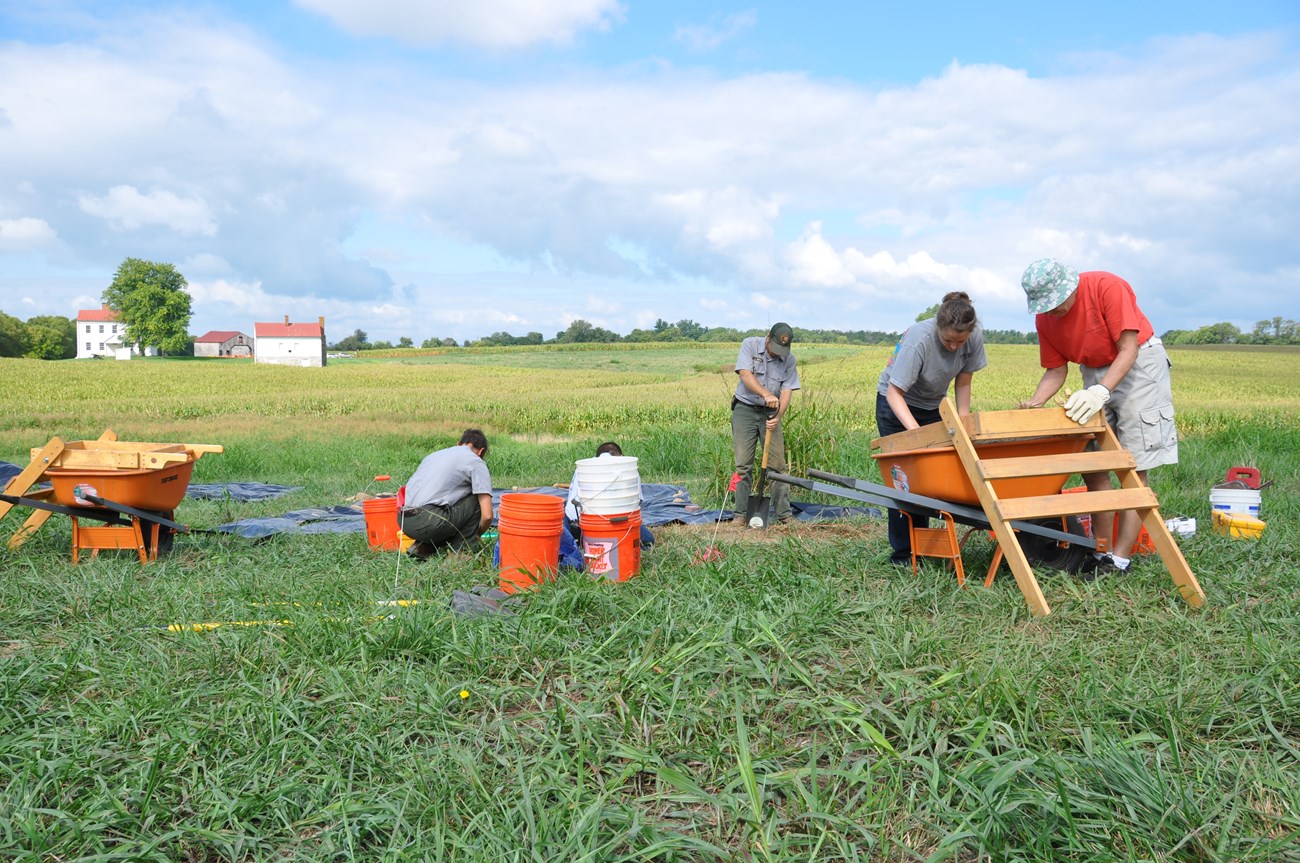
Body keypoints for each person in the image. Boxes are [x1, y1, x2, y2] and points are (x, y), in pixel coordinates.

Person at [1018, 258, 1177, 576]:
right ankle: (1100, 550)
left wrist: (1100, 392)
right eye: (1045, 306)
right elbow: (1056, 368)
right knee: (1094, 465)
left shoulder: (1107, 287)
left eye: (1056, 303)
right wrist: (1035, 403)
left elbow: (1128, 348)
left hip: (1140, 364)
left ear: (1071, 286)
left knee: (1132, 465)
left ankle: (1119, 560)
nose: (1053, 311)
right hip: (1094, 369)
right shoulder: (1045, 319)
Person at [875, 292, 987, 566]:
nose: (953, 347)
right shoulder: (919, 340)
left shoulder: (973, 337)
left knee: (929, 477)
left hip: (933, 405)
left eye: (958, 342)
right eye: (948, 340)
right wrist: (916, 434)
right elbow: (894, 393)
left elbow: (963, 382)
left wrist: (962, 424)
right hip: (897, 406)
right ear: (938, 327)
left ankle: (923, 547)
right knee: (905, 478)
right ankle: (904, 555)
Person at [731, 322, 800, 525]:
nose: (778, 353)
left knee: (777, 465)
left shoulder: (789, 359)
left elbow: (787, 390)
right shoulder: (750, 345)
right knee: (743, 464)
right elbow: (745, 375)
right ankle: (740, 514)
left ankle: (784, 515)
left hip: (771, 413)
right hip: (745, 408)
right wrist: (766, 394)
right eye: (775, 348)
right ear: (768, 337)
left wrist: (778, 415)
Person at [399, 429, 493, 558]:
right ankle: (459, 555)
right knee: (476, 499)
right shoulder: (475, 461)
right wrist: (475, 534)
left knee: (447, 514)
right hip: (428, 521)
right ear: (481, 451)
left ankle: (422, 547)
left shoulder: (434, 455)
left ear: (458, 443)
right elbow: (487, 515)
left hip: (403, 520)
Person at [564, 441, 655, 548]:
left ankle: (582, 543)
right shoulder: (627, 467)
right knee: (648, 540)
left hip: (576, 527)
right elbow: (635, 505)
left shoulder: (583, 467)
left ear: (597, 457)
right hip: (612, 527)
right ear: (621, 456)